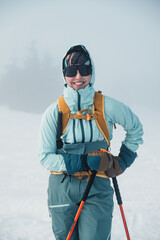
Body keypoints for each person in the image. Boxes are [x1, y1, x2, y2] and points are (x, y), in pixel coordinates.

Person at [38, 45, 143, 240]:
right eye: (71, 71)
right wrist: (84, 162)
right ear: (64, 74)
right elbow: (45, 157)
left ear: (91, 72)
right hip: (62, 190)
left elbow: (136, 129)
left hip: (98, 185)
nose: (78, 76)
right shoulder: (53, 112)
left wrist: (123, 161)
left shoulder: (107, 106)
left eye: (84, 70)